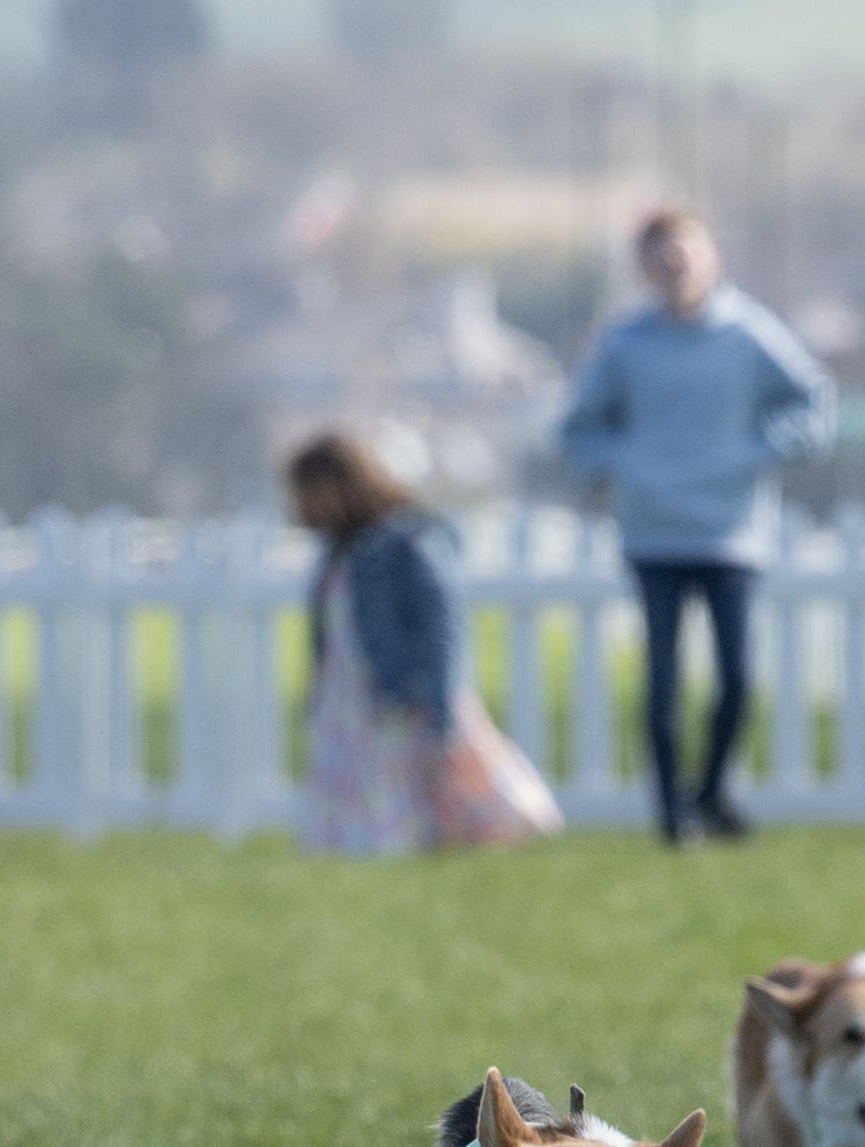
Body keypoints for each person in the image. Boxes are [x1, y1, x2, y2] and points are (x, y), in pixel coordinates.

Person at [561, 208, 833, 846]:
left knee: (737, 677)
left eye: (684, 251)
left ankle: (711, 792)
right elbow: (579, 428)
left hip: (731, 533)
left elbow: (812, 402)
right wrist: (620, 464)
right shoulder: (626, 344)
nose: (674, 266)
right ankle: (671, 813)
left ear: (711, 257)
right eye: (660, 255)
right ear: (644, 268)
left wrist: (760, 451)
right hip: (654, 533)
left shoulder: (748, 333)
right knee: (662, 680)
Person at [288, 433, 562, 856]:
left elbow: (441, 628)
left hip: (397, 695)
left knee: (424, 790)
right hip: (349, 703)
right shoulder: (339, 553)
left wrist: (440, 702)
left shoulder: (406, 542)